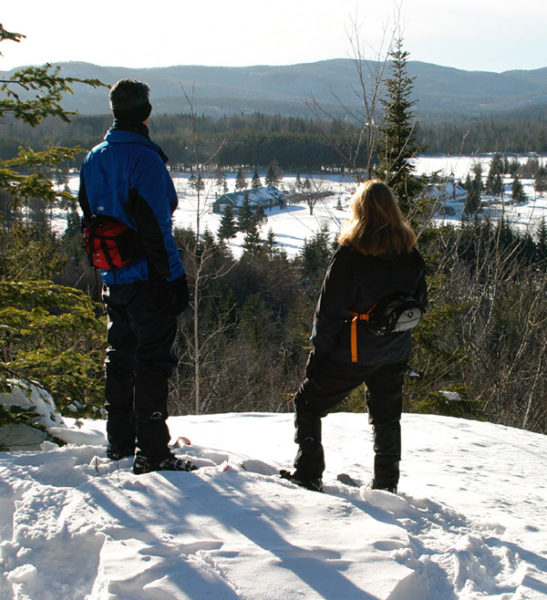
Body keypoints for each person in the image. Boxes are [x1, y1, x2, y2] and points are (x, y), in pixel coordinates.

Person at [78, 79, 194, 474]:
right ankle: (153, 451)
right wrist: (175, 281)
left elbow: (89, 219)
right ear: (146, 112)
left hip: (113, 275)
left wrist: (104, 270)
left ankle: (119, 443)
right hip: (147, 278)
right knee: (152, 361)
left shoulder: (94, 158)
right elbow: (157, 227)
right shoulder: (145, 159)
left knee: (120, 356)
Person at [282, 179, 427, 493]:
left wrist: (318, 355)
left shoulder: (350, 256)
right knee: (387, 416)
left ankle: (308, 473)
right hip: (395, 351)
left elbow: (329, 311)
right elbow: (421, 304)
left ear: (359, 210)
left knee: (307, 403)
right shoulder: (410, 253)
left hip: (352, 353)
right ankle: (387, 485)